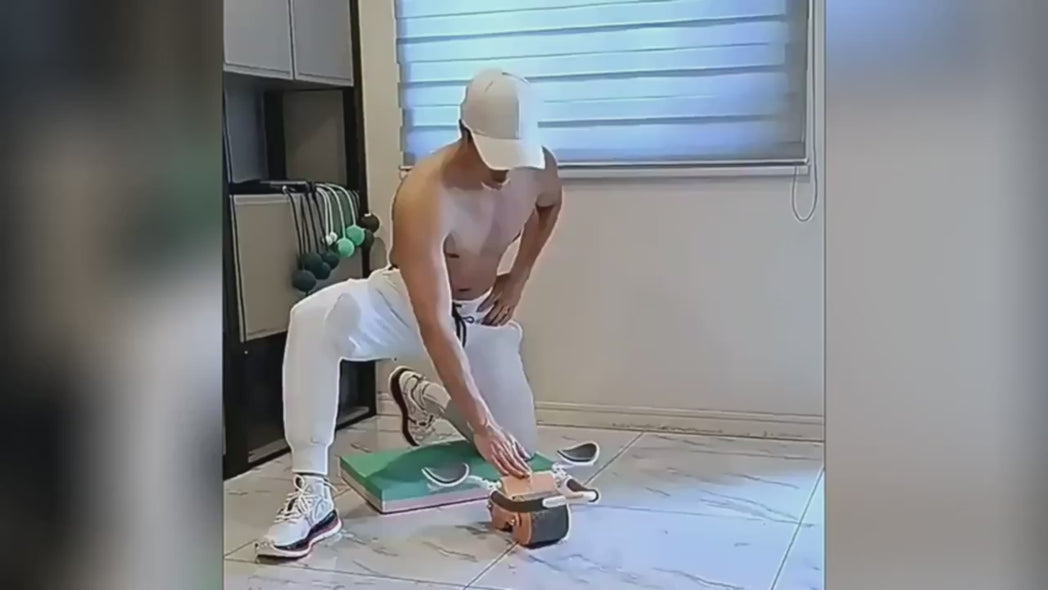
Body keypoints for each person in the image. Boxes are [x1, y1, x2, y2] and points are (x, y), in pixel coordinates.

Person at [255, 69, 563, 559]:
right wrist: (481, 423)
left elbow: (550, 205)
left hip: (481, 314)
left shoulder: (538, 167)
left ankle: (424, 397)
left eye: (515, 155)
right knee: (315, 316)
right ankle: (312, 491)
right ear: (464, 132)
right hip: (406, 304)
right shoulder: (425, 193)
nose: (506, 171)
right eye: (496, 155)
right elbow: (434, 322)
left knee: (518, 449)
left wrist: (519, 276)